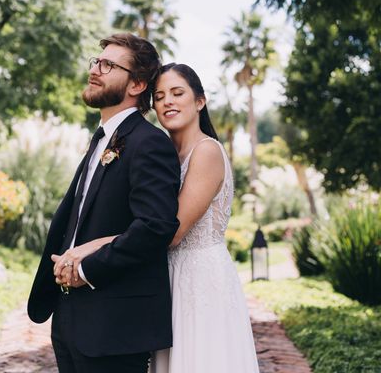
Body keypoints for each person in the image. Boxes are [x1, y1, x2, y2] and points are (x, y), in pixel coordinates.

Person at [60, 63, 260, 372]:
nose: (167, 101)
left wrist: (92, 246)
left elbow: (172, 231)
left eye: (178, 93)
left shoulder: (206, 151)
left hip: (199, 279)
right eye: (160, 95)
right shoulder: (165, 152)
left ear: (199, 101)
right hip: (166, 275)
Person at [27, 33, 181, 373]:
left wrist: (85, 269)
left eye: (109, 65)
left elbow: (155, 227)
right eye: (97, 62)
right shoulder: (102, 139)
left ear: (137, 83)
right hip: (70, 321)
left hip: (114, 327)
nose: (95, 70)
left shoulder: (149, 143)